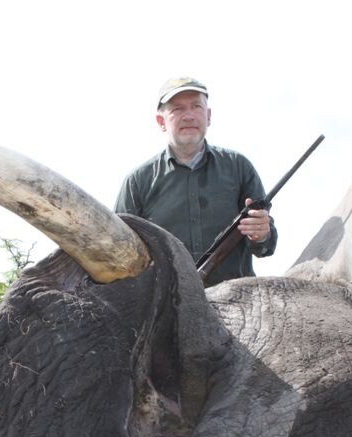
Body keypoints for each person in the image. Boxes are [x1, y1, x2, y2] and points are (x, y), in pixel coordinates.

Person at [115, 77, 277, 286]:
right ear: (161, 122)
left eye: (196, 106)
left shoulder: (239, 167)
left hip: (240, 305)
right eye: (177, 109)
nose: (189, 116)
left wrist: (261, 234)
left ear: (208, 116)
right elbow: (119, 252)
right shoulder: (137, 182)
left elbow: (266, 247)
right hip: (166, 309)